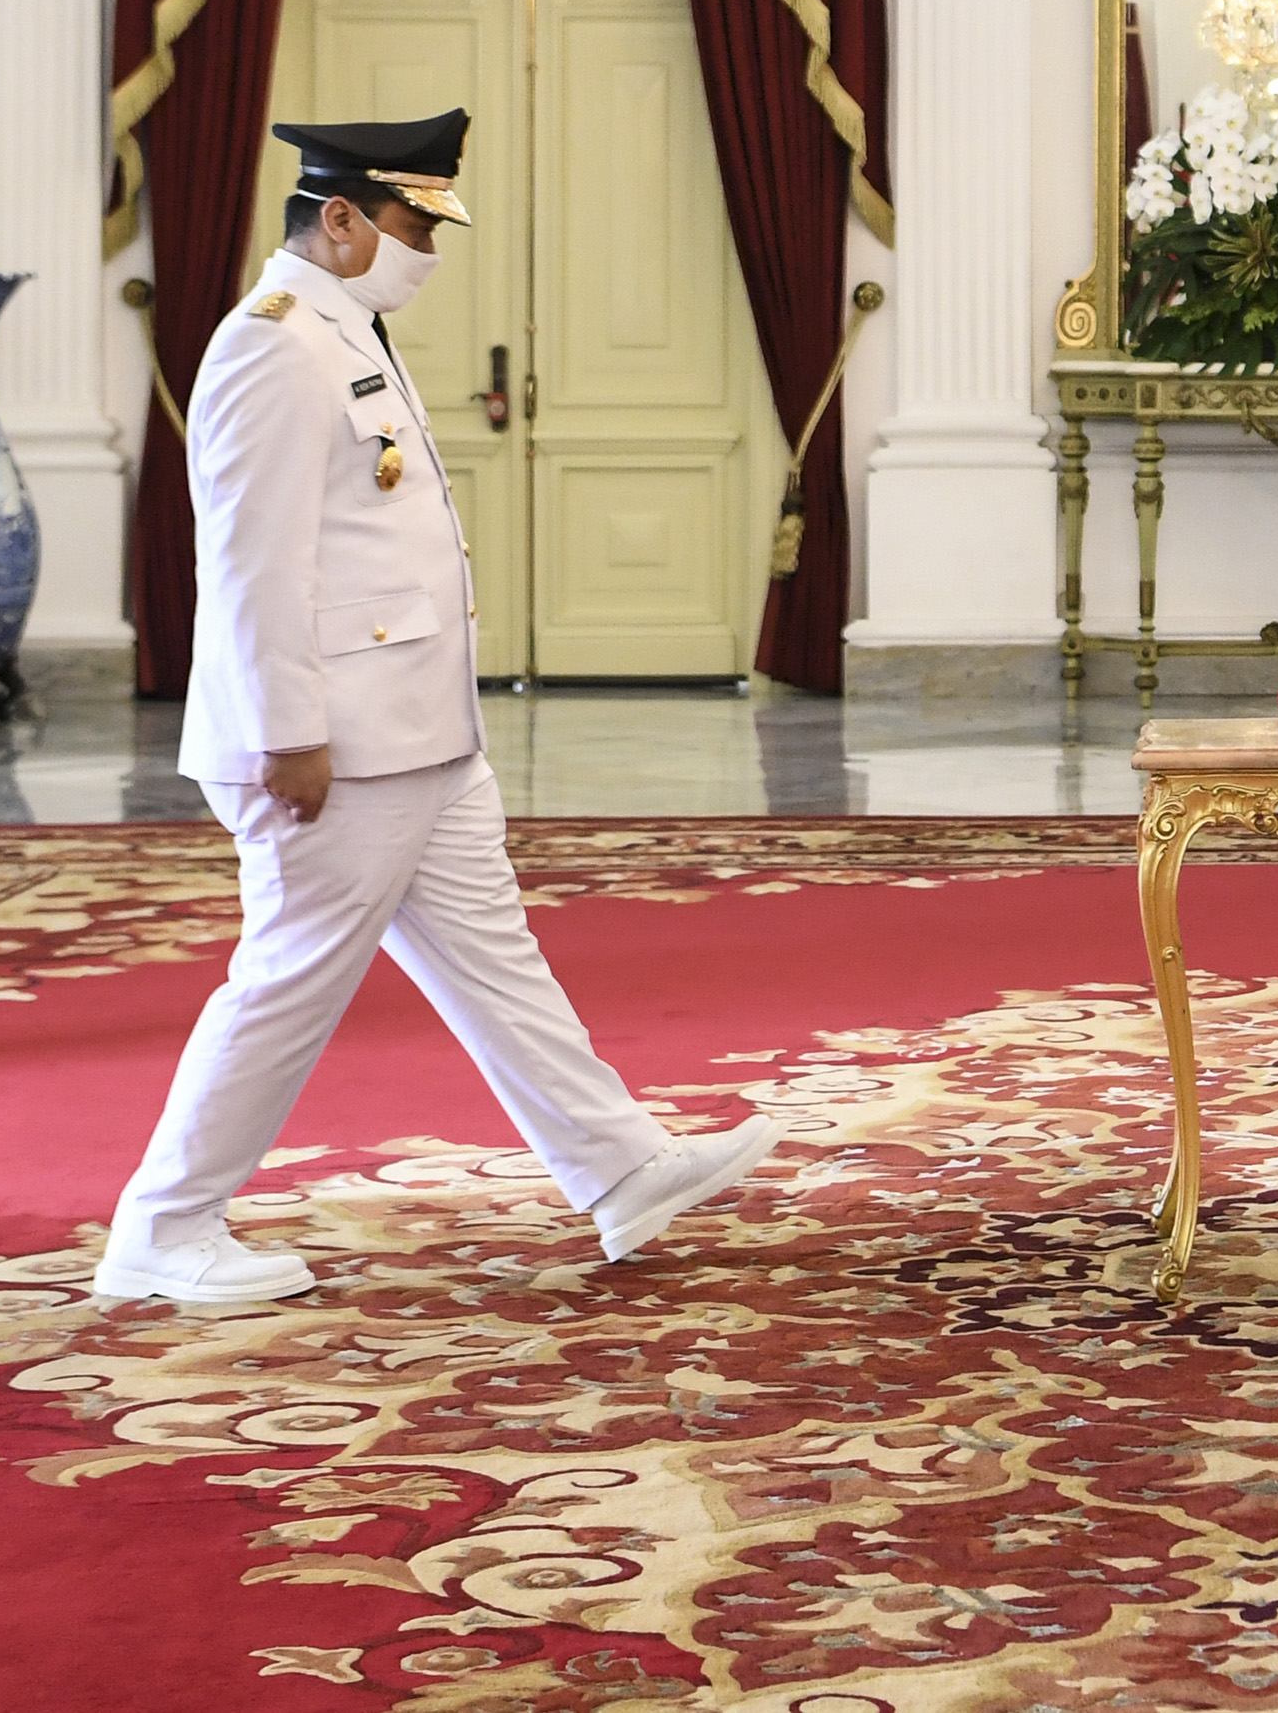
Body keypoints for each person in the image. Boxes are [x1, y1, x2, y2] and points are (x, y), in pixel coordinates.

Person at [96, 111, 782, 1305]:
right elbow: (255, 565)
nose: (430, 247)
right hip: (338, 744)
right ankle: (164, 1226)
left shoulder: (345, 328)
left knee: (491, 959)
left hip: (419, 735)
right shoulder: (272, 346)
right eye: (416, 222)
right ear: (343, 218)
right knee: (290, 980)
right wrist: (288, 735)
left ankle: (619, 1169)